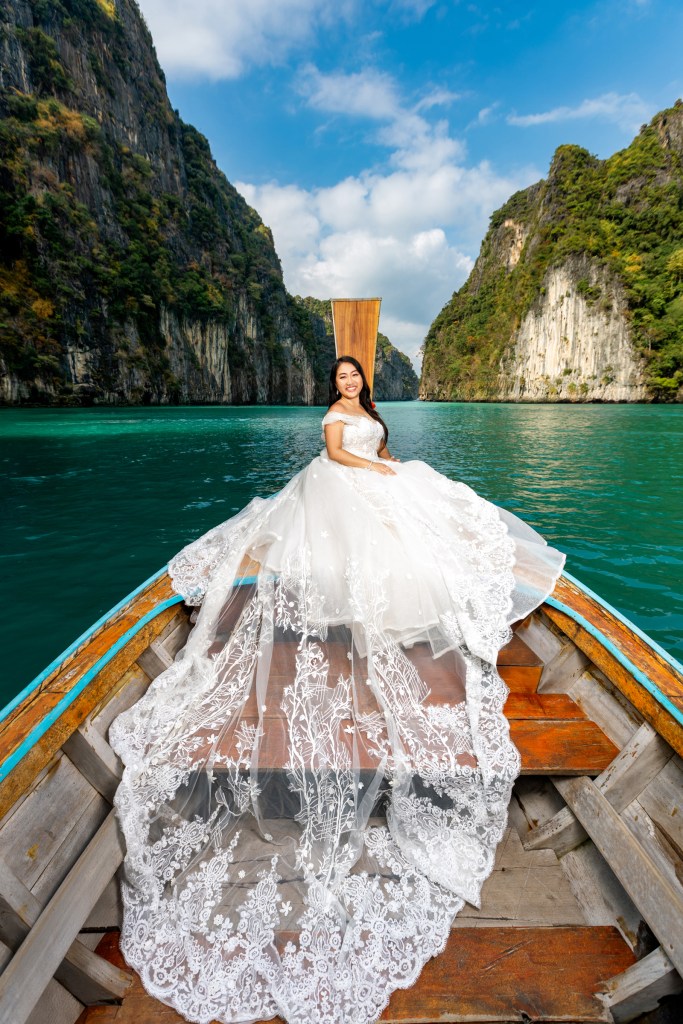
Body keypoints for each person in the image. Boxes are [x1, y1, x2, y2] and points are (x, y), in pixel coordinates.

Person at [109, 356, 565, 1024]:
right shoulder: (333, 423)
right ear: (335, 386)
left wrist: (388, 465)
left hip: (370, 480)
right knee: (371, 523)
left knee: (423, 517)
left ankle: (399, 602)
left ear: (363, 385)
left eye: (356, 380)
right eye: (343, 380)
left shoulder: (370, 417)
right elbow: (341, 461)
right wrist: (378, 470)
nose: (349, 386)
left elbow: (376, 452)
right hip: (340, 487)